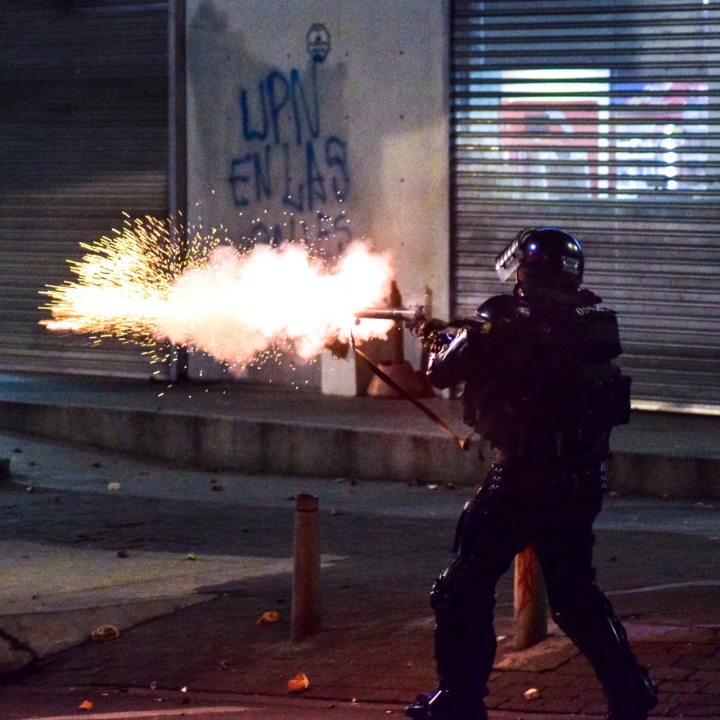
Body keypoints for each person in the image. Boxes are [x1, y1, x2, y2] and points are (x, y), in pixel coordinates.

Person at [406, 228, 658, 720]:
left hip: (524, 478)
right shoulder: (593, 317)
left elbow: (441, 371)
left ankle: (459, 700)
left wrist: (439, 337)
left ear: (525, 270)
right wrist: (463, 332)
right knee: (574, 595)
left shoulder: (505, 317)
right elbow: (524, 351)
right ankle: (632, 689)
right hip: (581, 477)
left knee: (461, 588)